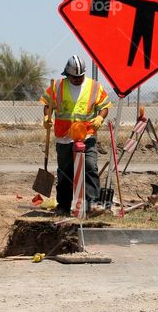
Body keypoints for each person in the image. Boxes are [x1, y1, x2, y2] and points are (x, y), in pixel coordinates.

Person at [40, 55, 111, 215]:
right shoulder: (57, 86)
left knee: (90, 167)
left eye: (80, 76)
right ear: (67, 74)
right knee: (64, 171)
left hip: (87, 135)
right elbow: (47, 104)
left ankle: (92, 204)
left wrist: (100, 117)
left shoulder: (95, 87)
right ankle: (64, 206)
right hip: (64, 137)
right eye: (74, 77)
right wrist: (47, 117)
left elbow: (104, 105)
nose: (78, 79)